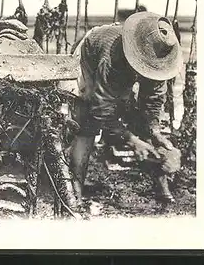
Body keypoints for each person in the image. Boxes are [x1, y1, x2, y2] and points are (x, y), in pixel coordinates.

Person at [61, 11, 183, 204]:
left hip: (121, 69)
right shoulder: (110, 57)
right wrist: (131, 140)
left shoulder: (160, 56)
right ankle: (75, 193)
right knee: (87, 125)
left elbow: (153, 100)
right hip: (89, 60)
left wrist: (154, 130)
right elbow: (101, 109)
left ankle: (163, 191)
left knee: (144, 124)